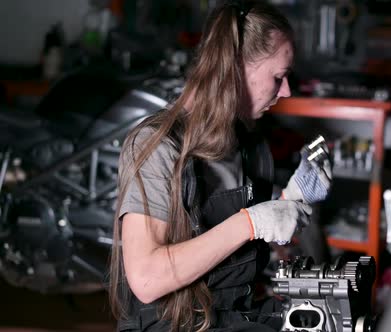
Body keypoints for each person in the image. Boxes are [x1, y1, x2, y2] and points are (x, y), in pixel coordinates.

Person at [108, 1, 332, 331]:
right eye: (279, 77)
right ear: (236, 68)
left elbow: (233, 250)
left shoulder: (249, 145)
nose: (285, 90)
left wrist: (288, 205)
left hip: (231, 315)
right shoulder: (158, 146)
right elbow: (146, 278)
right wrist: (251, 222)